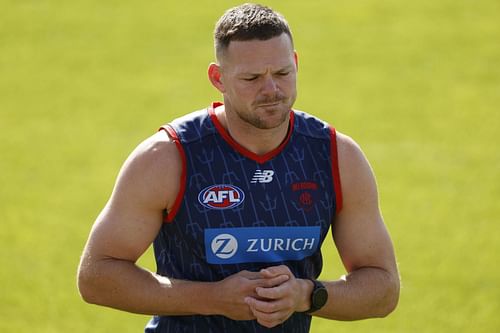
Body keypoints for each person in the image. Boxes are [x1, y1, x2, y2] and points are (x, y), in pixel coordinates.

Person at [77, 3, 400, 332]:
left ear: (297, 63)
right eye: (252, 78)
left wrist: (307, 294)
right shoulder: (167, 157)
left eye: (283, 73)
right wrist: (212, 298)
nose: (271, 89)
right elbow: (96, 276)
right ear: (218, 78)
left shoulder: (335, 156)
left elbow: (384, 288)